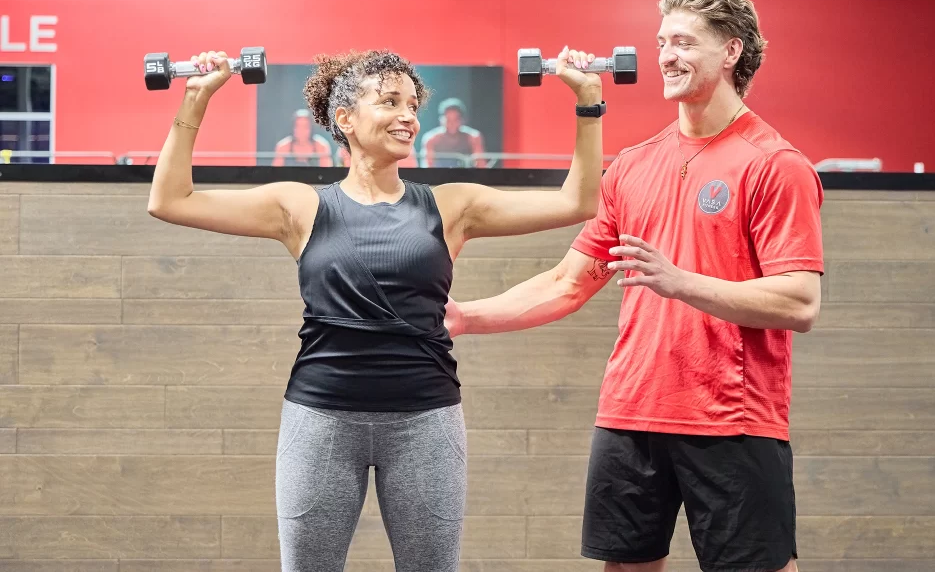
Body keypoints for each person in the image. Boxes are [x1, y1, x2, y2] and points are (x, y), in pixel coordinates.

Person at [146, 45, 607, 572]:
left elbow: (577, 202)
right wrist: (196, 98)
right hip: (320, 418)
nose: (408, 116)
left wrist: (588, 102)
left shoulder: (451, 205)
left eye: (412, 105)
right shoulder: (300, 206)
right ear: (345, 119)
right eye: (390, 102)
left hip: (425, 420)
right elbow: (170, 201)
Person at [445, 0, 825, 572]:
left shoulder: (775, 164)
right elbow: (568, 282)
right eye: (662, 42)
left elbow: (799, 302)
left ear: (731, 51)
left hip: (732, 420)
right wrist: (464, 317)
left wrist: (680, 282)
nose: (667, 56)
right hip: (630, 413)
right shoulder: (631, 167)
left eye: (684, 42)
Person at [419, 97, 487, 167]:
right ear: (441, 120)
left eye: (456, 120)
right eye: (448, 120)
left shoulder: (473, 137)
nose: (452, 124)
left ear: (463, 120)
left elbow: (481, 165)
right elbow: (427, 166)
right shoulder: (431, 139)